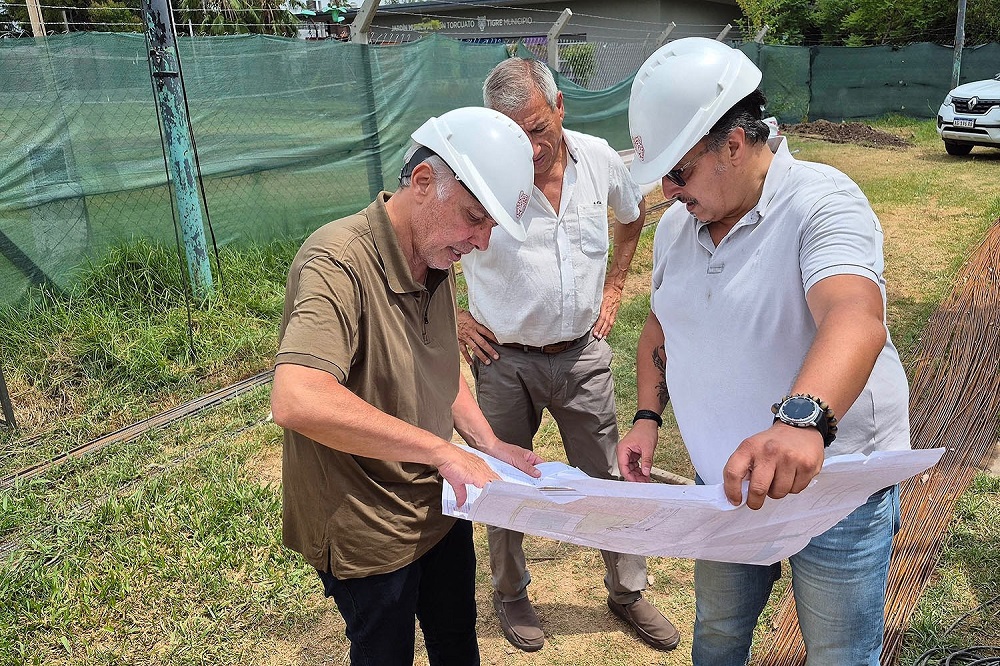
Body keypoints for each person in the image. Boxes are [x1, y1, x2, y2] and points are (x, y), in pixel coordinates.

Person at [619, 38, 911, 665]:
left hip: (834, 491)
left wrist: (800, 423)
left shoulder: (821, 201)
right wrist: (647, 417)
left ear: (733, 141)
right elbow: (659, 329)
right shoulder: (678, 226)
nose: (669, 191)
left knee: (838, 653)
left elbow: (854, 317)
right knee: (719, 638)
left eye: (679, 172)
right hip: (724, 485)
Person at [271, 106, 544, 666]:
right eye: (475, 217)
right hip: (368, 527)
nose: (482, 242)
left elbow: (440, 372)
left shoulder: (435, 256)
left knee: (456, 644)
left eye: (490, 225)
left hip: (440, 506)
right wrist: (441, 450)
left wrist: (486, 445)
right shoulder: (337, 260)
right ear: (424, 183)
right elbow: (297, 397)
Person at [457, 57, 680, 654]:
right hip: (503, 360)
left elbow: (632, 219)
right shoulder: (478, 169)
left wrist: (613, 288)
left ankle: (627, 590)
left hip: (582, 354)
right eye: (513, 134)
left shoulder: (599, 159)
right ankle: (510, 594)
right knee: (502, 480)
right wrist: (454, 316)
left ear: (559, 108)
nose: (528, 149)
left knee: (611, 473)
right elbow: (428, 242)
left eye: (536, 127)